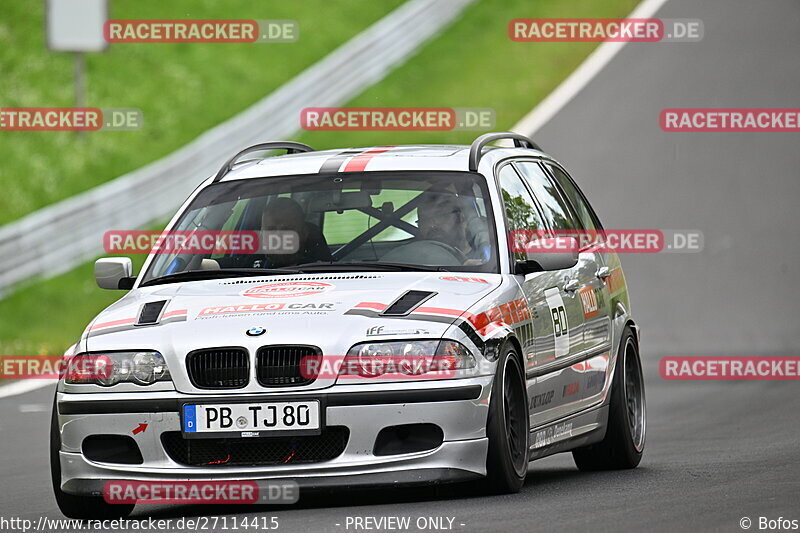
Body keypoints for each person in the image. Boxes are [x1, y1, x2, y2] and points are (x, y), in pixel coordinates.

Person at [254, 197, 332, 268]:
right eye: (270, 230)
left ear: (304, 233)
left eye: (286, 230)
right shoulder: (246, 270)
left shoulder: (321, 271)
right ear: (261, 234)